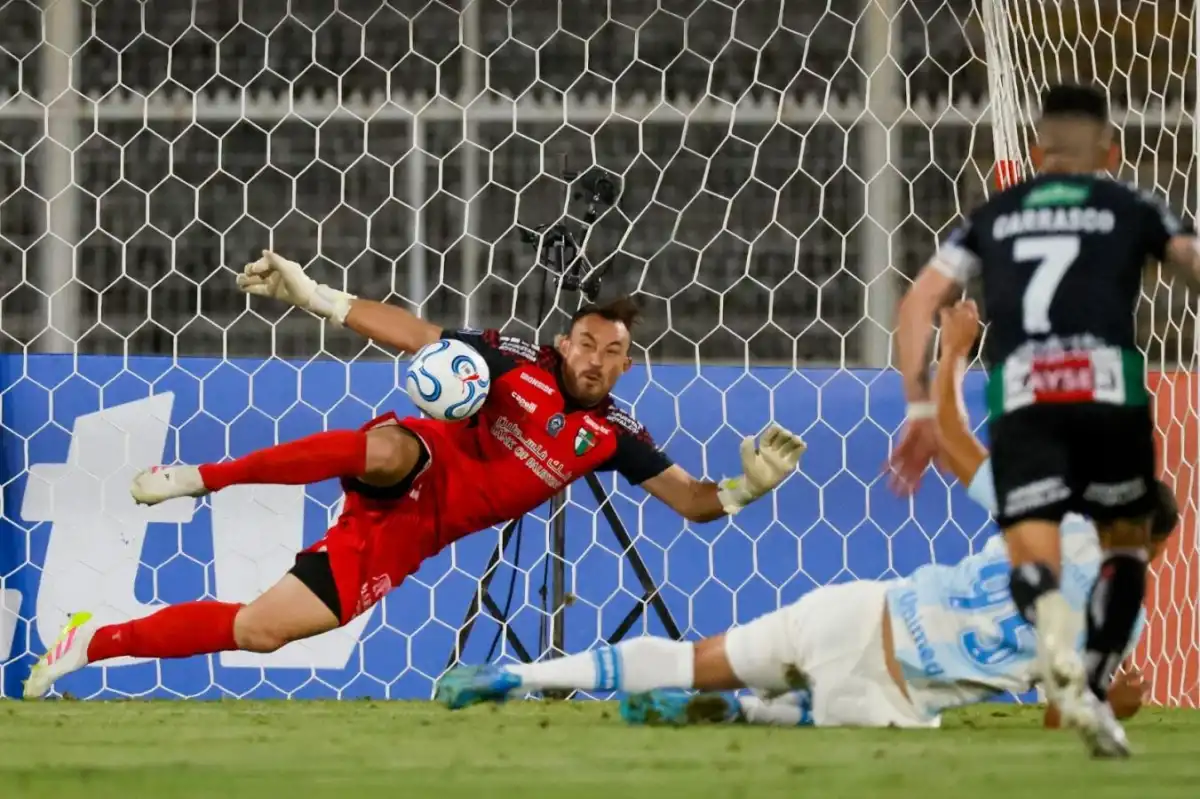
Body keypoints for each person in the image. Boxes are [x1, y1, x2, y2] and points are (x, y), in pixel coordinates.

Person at [22, 251, 806, 699]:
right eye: (586, 343)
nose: (596, 360)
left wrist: (748, 487)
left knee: (261, 630)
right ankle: (202, 475)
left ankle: (90, 640)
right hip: (417, 459)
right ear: (564, 343)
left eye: (613, 352)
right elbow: (420, 337)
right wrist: (314, 294)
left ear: (628, 363)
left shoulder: (614, 436)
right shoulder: (515, 363)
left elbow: (694, 501)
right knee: (391, 449)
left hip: (407, 535)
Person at [434, 302, 1173, 731]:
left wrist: (952, 352)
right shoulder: (1118, 618)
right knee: (893, 722)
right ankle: (753, 715)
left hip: (860, 610)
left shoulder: (1047, 520)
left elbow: (950, 433)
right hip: (898, 689)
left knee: (695, 656)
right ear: (1155, 547)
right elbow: (1061, 714)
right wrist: (1118, 700)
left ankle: (517, 672)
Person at [888, 83, 1199, 756]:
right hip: (1107, 395)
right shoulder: (1132, 203)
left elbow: (917, 304)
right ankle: (1089, 683)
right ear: (1110, 152)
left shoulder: (991, 216)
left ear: (1036, 151)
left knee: (1033, 557)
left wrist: (919, 407)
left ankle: (1052, 615)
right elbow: (1191, 265)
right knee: (1124, 545)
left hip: (1025, 401)